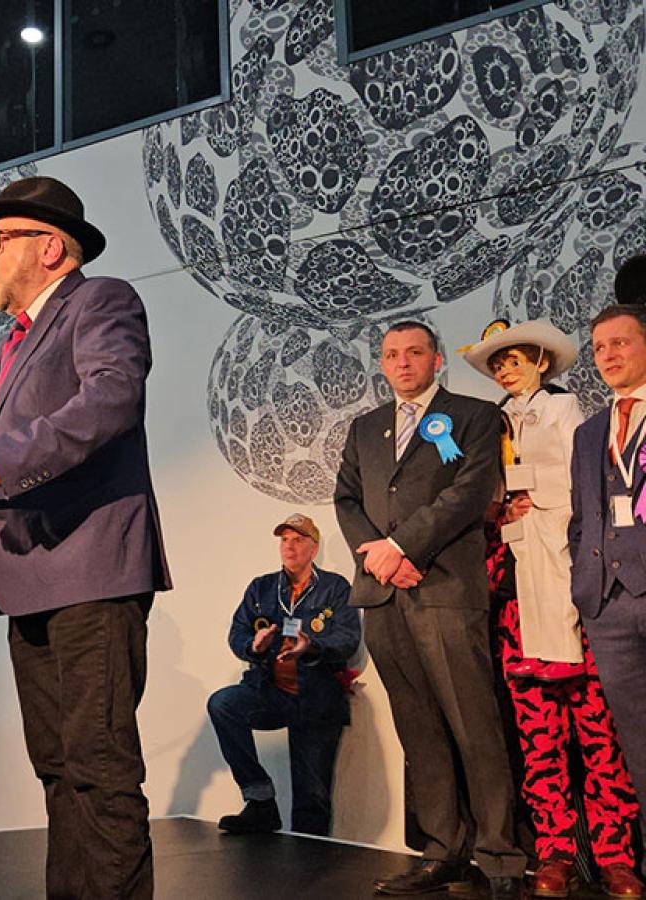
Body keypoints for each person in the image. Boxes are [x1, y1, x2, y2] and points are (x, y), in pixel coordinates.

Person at [0, 175, 171, 899]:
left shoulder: (101, 302)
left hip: (92, 570)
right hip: (27, 579)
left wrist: (1, 460)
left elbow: (111, 398)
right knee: (58, 767)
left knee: (98, 766)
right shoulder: (9, 347)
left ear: (52, 248)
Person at [334, 322, 526, 899]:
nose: (402, 362)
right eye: (391, 354)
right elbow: (346, 498)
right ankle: (444, 851)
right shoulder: (365, 427)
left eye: (414, 352)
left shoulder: (472, 415)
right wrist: (378, 557)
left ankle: (500, 857)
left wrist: (402, 548)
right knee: (418, 728)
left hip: (444, 588)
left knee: (473, 723)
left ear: (436, 360)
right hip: (384, 596)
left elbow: (468, 492)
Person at [465, 321, 642, 899]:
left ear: (542, 360)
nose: (506, 371)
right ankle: (554, 850)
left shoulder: (573, 418)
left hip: (576, 591)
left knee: (599, 734)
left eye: (514, 359)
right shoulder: (495, 423)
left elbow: (585, 493)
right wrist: (500, 509)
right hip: (520, 598)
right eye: (497, 365)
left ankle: (616, 853)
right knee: (538, 735)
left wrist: (530, 495)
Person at [207, 514, 359, 837]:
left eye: (298, 539)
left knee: (312, 796)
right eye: (284, 539)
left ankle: (310, 868)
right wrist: (254, 645)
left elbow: (348, 639)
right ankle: (260, 802)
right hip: (269, 690)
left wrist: (312, 646)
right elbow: (237, 634)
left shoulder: (335, 588)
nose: (289, 546)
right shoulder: (261, 588)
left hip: (315, 697)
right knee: (223, 704)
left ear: (314, 548)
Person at [570, 303, 646, 884]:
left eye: (621, 342)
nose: (609, 355)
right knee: (638, 740)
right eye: (600, 348)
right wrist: (584, 581)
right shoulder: (589, 430)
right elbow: (583, 517)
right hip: (608, 604)